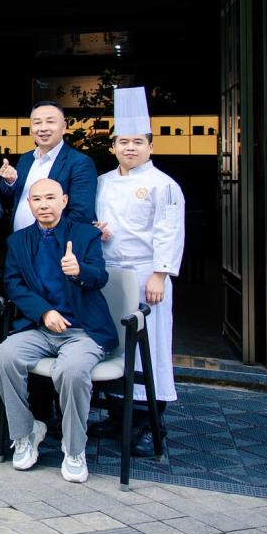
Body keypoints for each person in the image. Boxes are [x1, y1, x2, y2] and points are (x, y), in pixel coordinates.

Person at [0, 178, 114, 484]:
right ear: (29, 204)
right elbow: (13, 285)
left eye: (50, 198)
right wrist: (44, 312)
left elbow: (99, 276)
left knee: (71, 371)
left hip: (83, 329)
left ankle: (74, 449)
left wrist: (80, 271)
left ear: (64, 201)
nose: (43, 205)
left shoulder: (85, 234)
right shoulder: (18, 241)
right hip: (40, 327)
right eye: (37, 199)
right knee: (4, 356)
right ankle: (26, 432)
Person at [93, 87, 185, 457]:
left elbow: (169, 231)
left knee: (151, 346)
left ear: (150, 145)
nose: (130, 148)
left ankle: (151, 422)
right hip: (110, 273)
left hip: (147, 276)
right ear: (113, 146)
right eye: (123, 142)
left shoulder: (163, 185)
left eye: (137, 142)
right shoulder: (103, 181)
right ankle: (118, 415)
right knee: (116, 344)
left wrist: (160, 274)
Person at [0, 101, 98, 232]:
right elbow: (7, 198)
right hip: (18, 240)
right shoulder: (25, 159)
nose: (43, 128)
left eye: (50, 121)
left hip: (55, 242)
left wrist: (47, 240)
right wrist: (9, 182)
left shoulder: (79, 162)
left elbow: (81, 214)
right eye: (37, 122)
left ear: (64, 127)